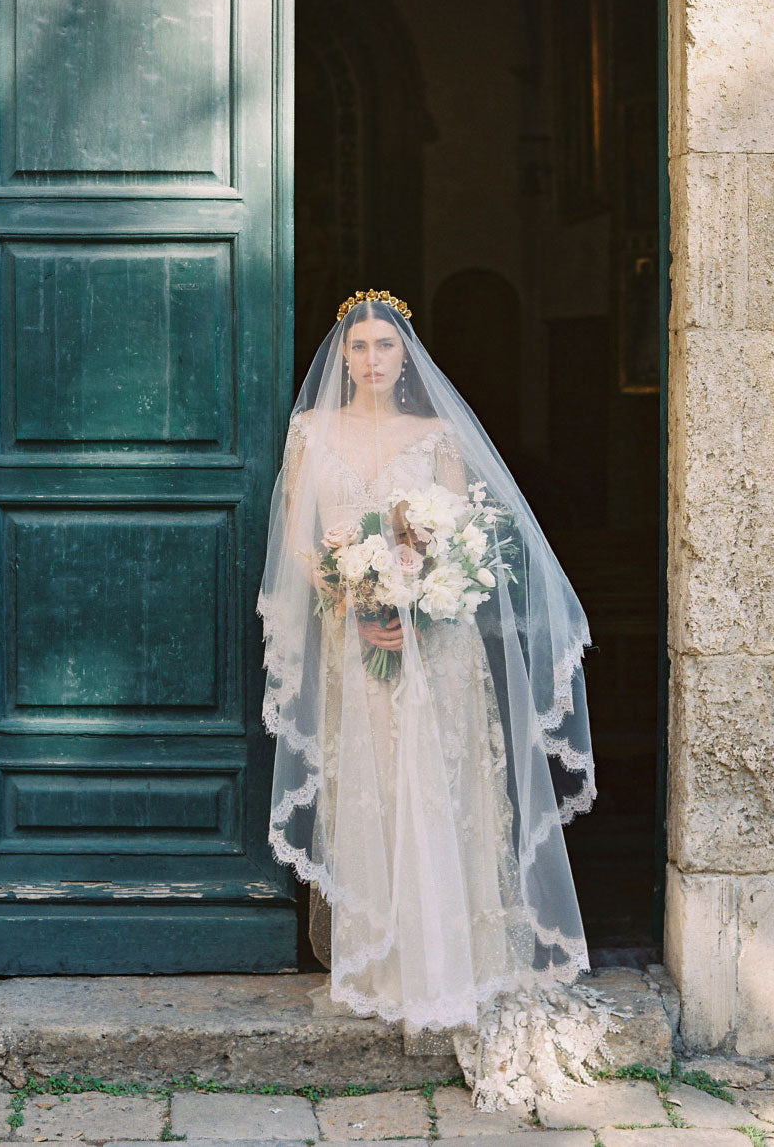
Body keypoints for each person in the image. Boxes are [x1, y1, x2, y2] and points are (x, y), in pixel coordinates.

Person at [256, 289, 622, 1110]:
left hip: (439, 649)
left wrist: (419, 601)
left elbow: (468, 539)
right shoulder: (312, 434)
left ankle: (455, 955)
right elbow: (298, 543)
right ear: (342, 357)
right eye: (360, 348)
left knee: (444, 789)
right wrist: (358, 596)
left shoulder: (438, 437)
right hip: (359, 643)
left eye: (387, 345)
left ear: (406, 355)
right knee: (377, 788)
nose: (373, 360)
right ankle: (384, 959)